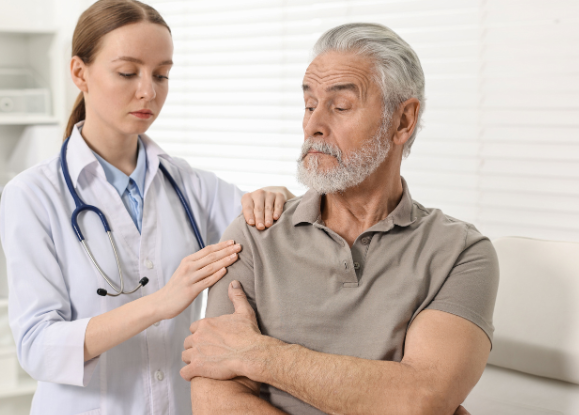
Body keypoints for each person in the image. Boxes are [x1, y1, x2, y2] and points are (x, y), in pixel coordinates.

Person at [182, 23, 498, 415]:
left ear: (403, 121)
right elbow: (215, 401)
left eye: (340, 106)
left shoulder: (460, 253)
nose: (313, 125)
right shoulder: (256, 234)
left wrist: (258, 355)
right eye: (309, 104)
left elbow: (421, 398)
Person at [0, 0, 293, 414]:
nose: (148, 91)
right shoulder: (33, 195)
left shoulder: (190, 185)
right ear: (79, 73)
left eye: (162, 75)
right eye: (127, 72)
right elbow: (37, 347)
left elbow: (273, 226)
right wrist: (160, 302)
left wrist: (278, 194)